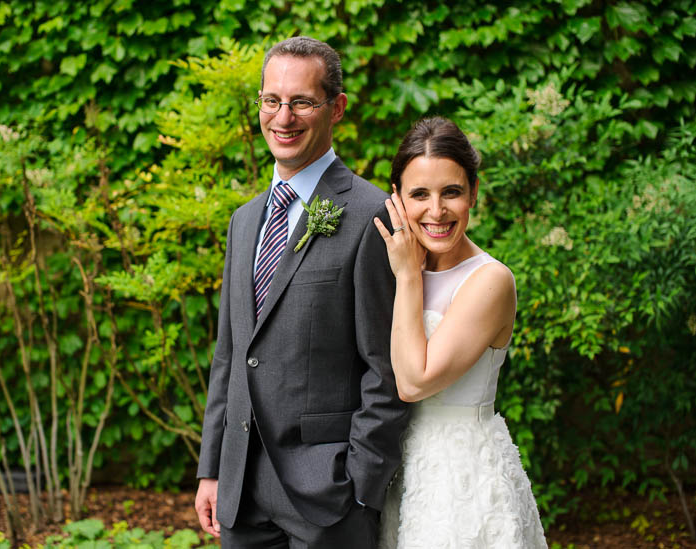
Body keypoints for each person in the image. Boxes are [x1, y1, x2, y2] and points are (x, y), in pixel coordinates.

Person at [194, 36, 408, 548]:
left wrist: (361, 487)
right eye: (272, 100)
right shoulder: (243, 222)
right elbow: (230, 355)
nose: (283, 117)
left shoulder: (370, 214)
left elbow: (388, 367)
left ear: (337, 108)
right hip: (241, 495)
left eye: (302, 102)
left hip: (329, 499)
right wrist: (212, 468)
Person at [373, 117, 548, 548]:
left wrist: (409, 279)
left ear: (473, 192)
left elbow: (414, 382)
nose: (436, 211)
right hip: (398, 468)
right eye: (419, 194)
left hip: (462, 478)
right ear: (397, 198)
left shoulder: (490, 281)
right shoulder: (388, 264)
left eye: (451, 192)